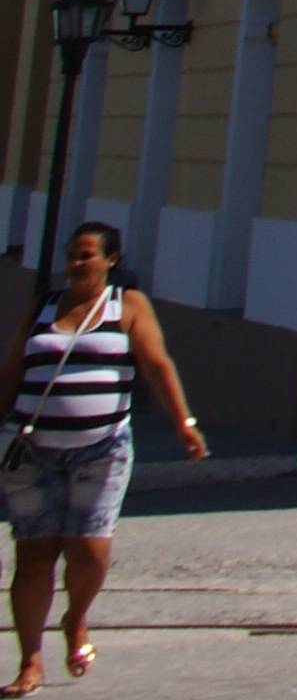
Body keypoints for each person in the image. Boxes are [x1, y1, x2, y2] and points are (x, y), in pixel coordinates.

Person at [2, 222, 206, 695]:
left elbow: (157, 363)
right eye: (72, 255)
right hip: (31, 450)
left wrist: (184, 423)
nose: (77, 263)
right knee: (33, 558)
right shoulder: (44, 306)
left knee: (90, 553)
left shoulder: (128, 306)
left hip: (102, 448)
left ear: (111, 260)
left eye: (87, 255)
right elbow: (12, 370)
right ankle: (29, 662)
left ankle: (75, 619)